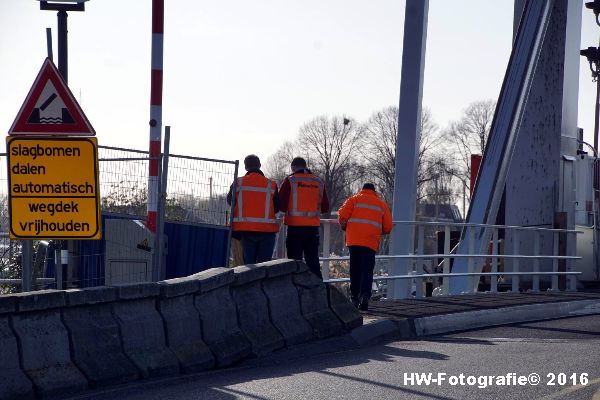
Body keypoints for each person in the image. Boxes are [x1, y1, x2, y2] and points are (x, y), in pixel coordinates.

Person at [338, 183, 392, 311]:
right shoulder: (381, 204)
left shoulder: (353, 199)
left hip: (353, 241)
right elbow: (388, 227)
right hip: (370, 242)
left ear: (362, 189)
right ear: (374, 191)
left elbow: (342, 216)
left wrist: (344, 227)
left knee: (354, 270)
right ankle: (365, 297)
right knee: (367, 270)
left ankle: (354, 297)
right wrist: (378, 231)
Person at [279, 157, 329, 278]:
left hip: (294, 228)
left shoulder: (290, 180)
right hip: (312, 229)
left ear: (293, 168)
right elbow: (325, 207)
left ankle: (296, 291)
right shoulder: (319, 181)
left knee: (294, 263)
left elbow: (281, 205)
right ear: (305, 166)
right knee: (313, 262)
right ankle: (318, 291)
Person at [227, 154, 280, 265]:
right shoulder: (271, 184)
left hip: (246, 231)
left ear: (246, 167)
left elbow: (230, 201)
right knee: (264, 267)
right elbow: (277, 208)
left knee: (248, 267)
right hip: (267, 231)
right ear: (260, 165)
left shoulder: (238, 182)